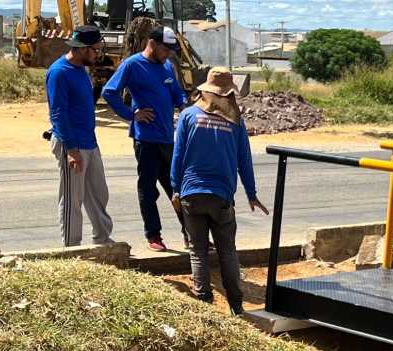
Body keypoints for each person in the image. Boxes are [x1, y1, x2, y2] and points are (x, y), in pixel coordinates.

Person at [170, 67, 268, 314]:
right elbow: (244, 160)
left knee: (198, 251)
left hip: (191, 194)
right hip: (222, 197)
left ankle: (204, 304)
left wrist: (175, 190)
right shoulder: (235, 123)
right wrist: (251, 193)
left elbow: (178, 156)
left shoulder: (188, 116)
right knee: (227, 252)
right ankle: (236, 306)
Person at [103, 26, 188, 252]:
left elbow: (177, 92)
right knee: (148, 190)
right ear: (152, 43)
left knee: (177, 190)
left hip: (168, 139)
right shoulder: (132, 65)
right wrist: (132, 115)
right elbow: (109, 92)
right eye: (166, 49)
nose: (169, 54)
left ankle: (190, 235)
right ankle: (154, 235)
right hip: (146, 140)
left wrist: (184, 106)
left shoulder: (167, 67)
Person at [46, 24, 114, 247]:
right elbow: (58, 114)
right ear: (84, 48)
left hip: (89, 142)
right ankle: (71, 248)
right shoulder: (59, 73)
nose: (97, 54)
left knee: (98, 193)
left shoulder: (81, 70)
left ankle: (102, 240)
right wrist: (72, 150)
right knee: (72, 199)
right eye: (95, 49)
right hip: (71, 144)